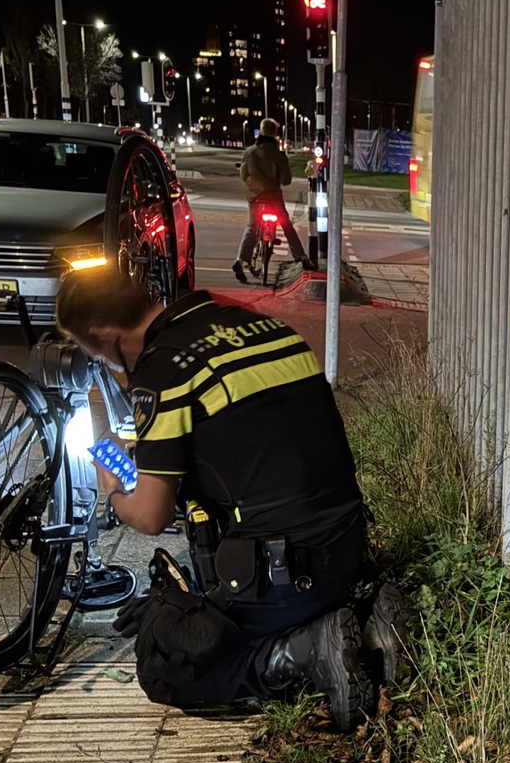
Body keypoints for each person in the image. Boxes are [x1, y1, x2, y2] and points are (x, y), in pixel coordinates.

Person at [53, 266, 402, 730]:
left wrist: (113, 490)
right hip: (348, 546)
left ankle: (303, 651)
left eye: (89, 350)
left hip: (282, 573)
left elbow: (151, 516)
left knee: (170, 669)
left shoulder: (163, 373)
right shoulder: (261, 328)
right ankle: (370, 626)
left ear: (105, 337)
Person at [234, 117, 316, 279]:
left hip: (255, 197)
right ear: (275, 133)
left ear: (261, 131)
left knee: (252, 227)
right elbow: (286, 180)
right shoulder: (279, 155)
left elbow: (243, 175)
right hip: (273, 197)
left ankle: (240, 259)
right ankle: (301, 257)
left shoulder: (250, 153)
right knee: (286, 226)